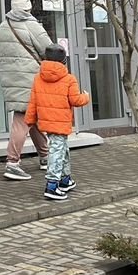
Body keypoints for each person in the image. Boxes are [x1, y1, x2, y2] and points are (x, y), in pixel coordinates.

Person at [0, 0, 54, 180]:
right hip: (30, 79)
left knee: (33, 117)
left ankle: (45, 156)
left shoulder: (3, 27)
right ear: (28, 7)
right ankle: (12, 163)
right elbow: (49, 50)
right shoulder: (31, 25)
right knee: (22, 120)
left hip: (12, 80)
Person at [26, 45, 91, 201]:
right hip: (61, 122)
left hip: (46, 122)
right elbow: (75, 100)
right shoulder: (69, 79)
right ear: (63, 61)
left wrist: (30, 119)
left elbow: (33, 101)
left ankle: (65, 180)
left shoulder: (38, 78)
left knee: (62, 149)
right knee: (57, 151)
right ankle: (52, 186)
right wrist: (86, 97)